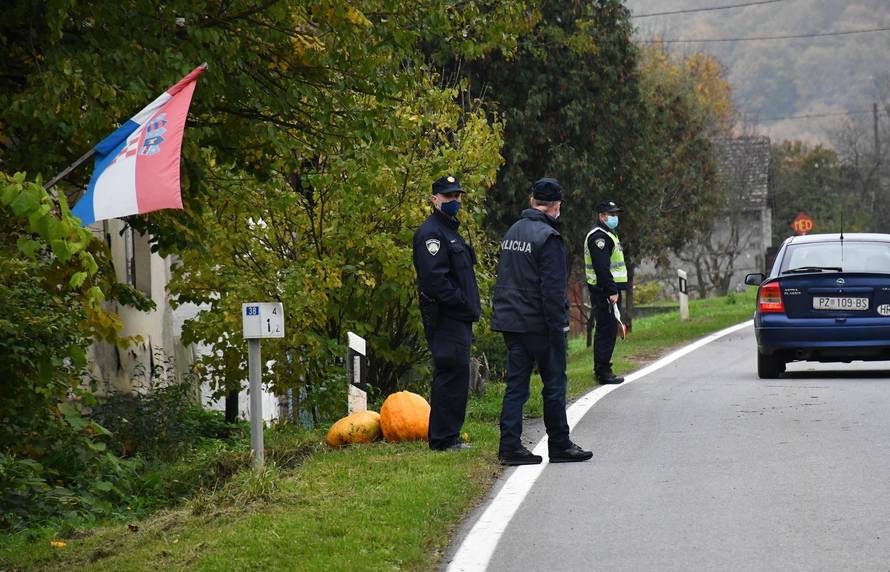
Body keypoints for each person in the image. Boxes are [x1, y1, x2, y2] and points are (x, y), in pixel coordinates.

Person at [491, 177, 593, 466]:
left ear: (532, 200)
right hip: (540, 325)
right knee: (554, 384)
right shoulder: (548, 238)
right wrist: (559, 325)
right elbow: (551, 290)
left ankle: (509, 447)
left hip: (511, 321)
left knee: (517, 386)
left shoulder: (513, 231)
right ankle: (559, 444)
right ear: (556, 205)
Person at [412, 175, 481, 451]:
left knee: (458, 374)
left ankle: (450, 435)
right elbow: (435, 280)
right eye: (449, 196)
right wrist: (461, 303)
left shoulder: (450, 231)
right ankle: (441, 439)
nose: (455, 201)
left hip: (458, 316)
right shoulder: (432, 233)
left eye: (457, 196)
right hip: (447, 316)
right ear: (435, 199)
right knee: (450, 372)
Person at [584, 200, 627, 385]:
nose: (615, 218)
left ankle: (604, 368)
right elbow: (602, 268)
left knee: (609, 330)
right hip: (605, 291)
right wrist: (611, 291)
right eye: (612, 214)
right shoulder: (598, 237)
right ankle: (603, 372)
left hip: (609, 290)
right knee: (606, 330)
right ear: (602, 216)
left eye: (616, 214)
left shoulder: (609, 234)